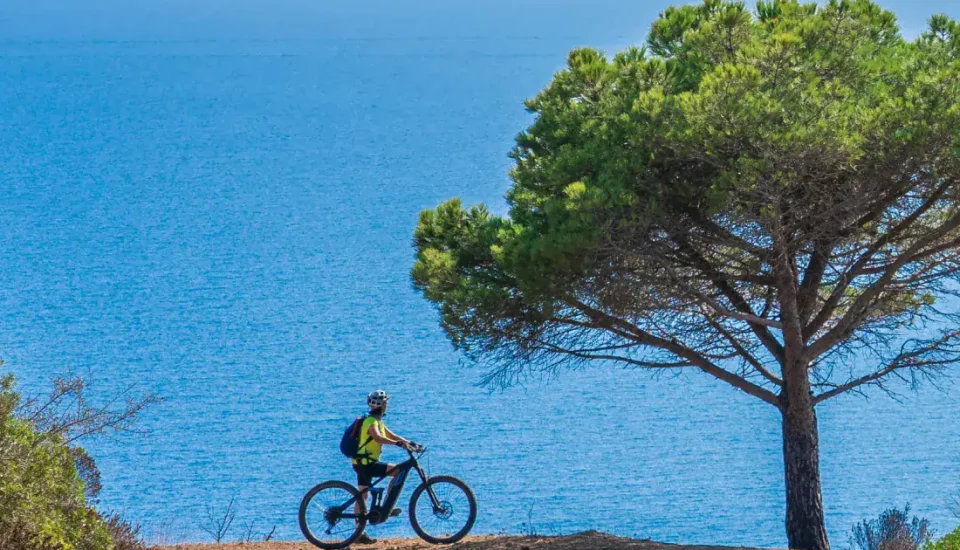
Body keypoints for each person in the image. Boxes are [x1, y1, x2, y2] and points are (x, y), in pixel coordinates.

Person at [353, 389, 412, 544]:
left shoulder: (377, 420)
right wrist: (397, 443)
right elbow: (378, 438)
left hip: (365, 462)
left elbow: (390, 434)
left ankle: (359, 532)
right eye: (385, 402)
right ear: (380, 404)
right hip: (365, 463)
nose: (387, 405)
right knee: (398, 471)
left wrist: (407, 442)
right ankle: (387, 507)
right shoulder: (370, 421)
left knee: (362, 495)